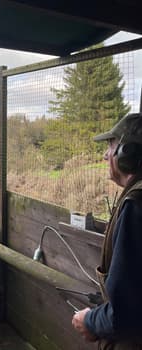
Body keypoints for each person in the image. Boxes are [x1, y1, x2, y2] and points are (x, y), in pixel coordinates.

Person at [72, 112, 142, 349]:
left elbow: (126, 313)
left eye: (112, 146)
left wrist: (90, 321)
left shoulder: (136, 205)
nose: (105, 155)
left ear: (128, 155)